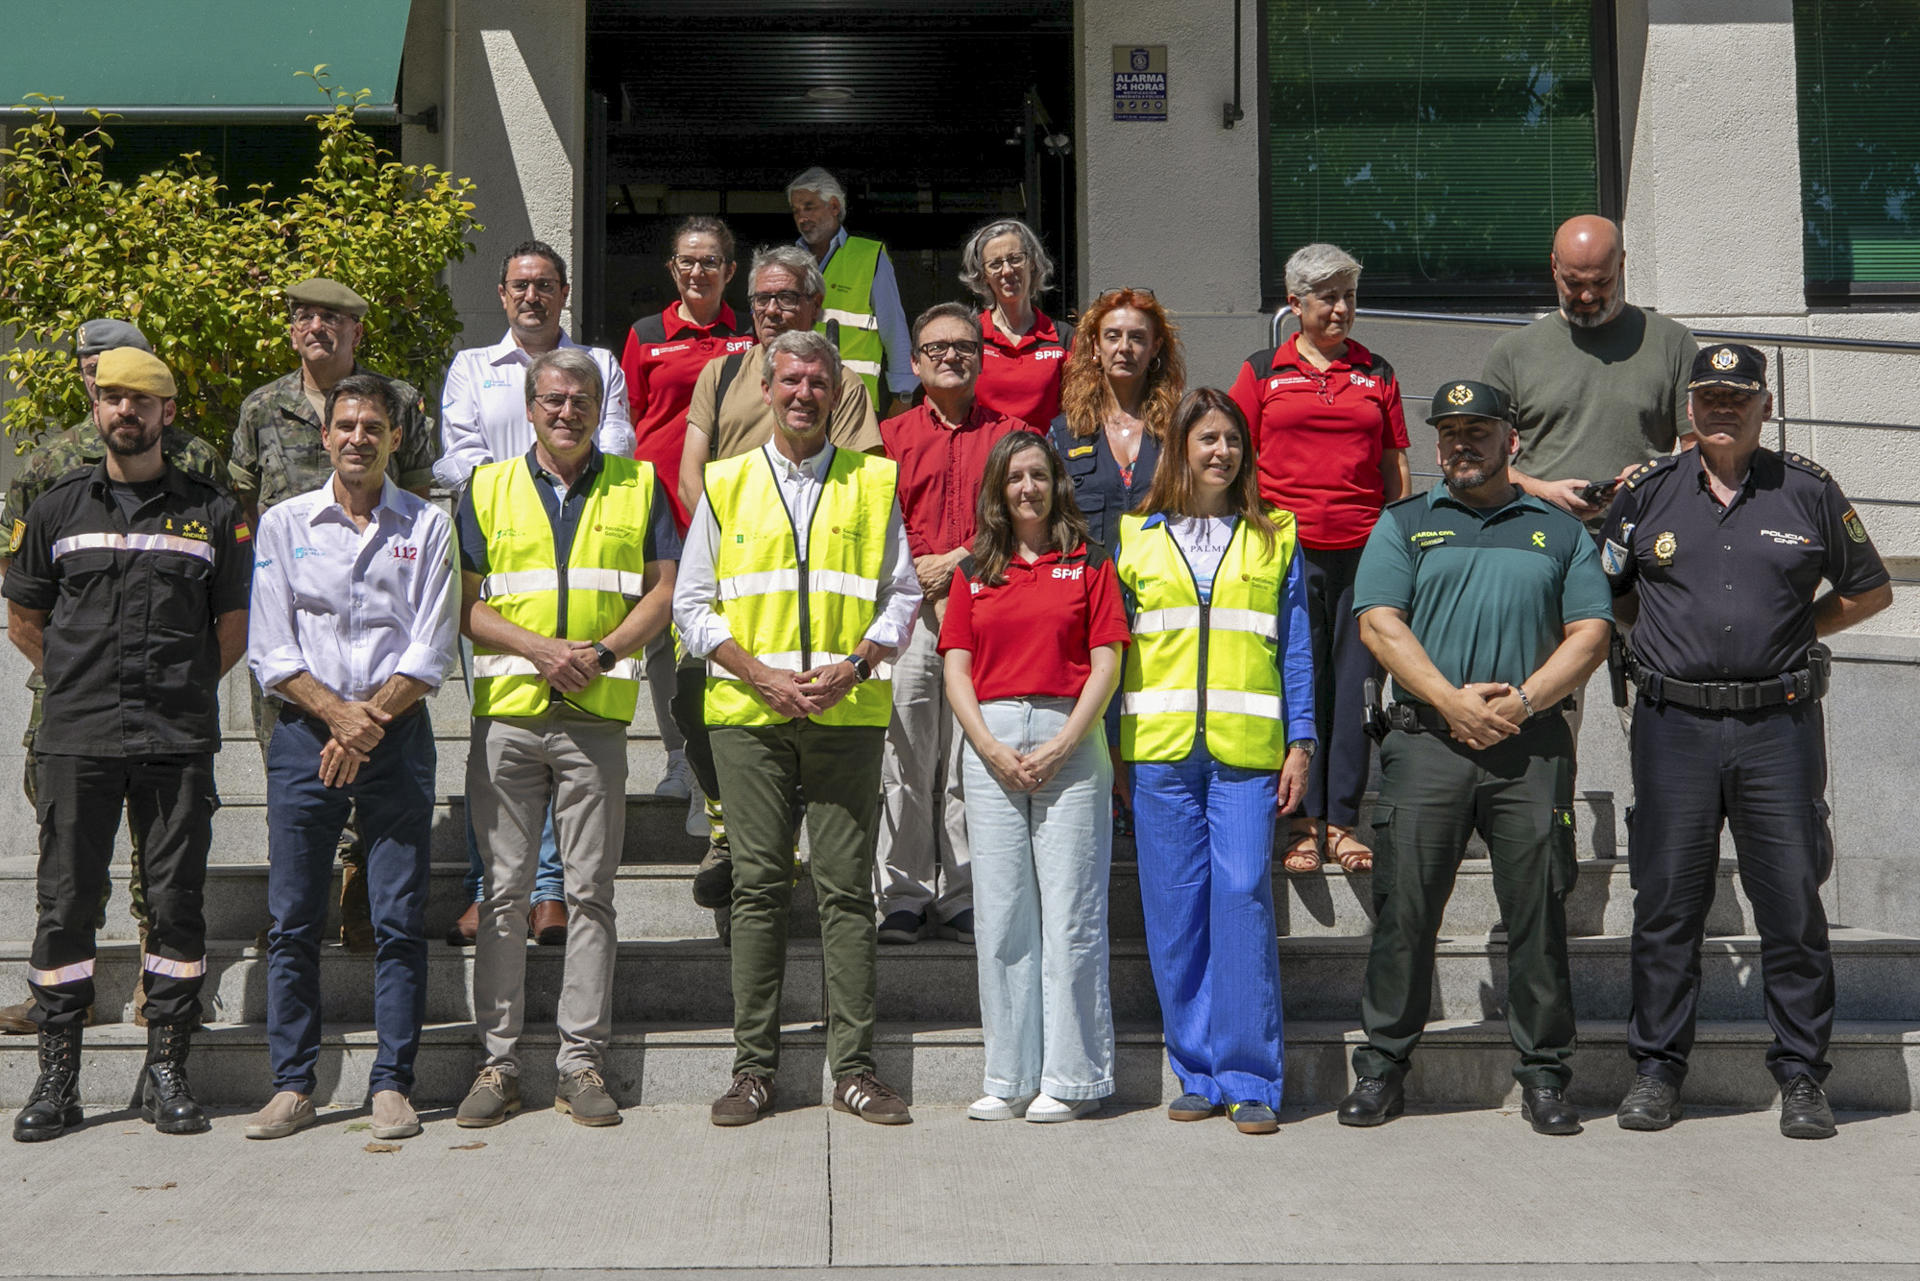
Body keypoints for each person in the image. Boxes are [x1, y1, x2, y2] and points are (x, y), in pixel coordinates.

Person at [1603, 344, 1891, 1141]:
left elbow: (1870, 588)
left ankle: (1802, 1076)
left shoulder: (1808, 489)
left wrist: (1803, 628)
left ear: (1766, 405)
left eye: (1738, 396)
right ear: (1688, 409)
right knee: (1666, 905)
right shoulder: (1646, 495)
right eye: (1708, 396)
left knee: (1792, 904)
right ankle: (1657, 1069)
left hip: (1779, 728)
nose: (1722, 407)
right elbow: (1614, 596)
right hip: (1675, 729)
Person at [1339, 379, 1611, 1135]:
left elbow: (1590, 632)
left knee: (1537, 915)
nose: (1463, 443)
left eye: (1479, 430)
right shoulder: (1405, 525)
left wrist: (1520, 702)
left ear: (1510, 443)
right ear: (1435, 446)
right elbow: (1379, 625)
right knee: (1404, 914)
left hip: (1531, 748)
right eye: (1450, 432)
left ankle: (1547, 1077)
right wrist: (1452, 701)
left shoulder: (1558, 532)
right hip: (1427, 742)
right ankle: (1384, 1067)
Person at [675, 329, 923, 1128]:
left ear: (836, 393)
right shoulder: (724, 482)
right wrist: (763, 675)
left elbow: (903, 594)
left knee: (848, 890)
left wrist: (856, 663)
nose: (804, 394)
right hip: (750, 715)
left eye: (819, 382)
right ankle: (754, 1070)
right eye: (790, 381)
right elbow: (690, 605)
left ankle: (853, 1068)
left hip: (844, 710)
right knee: (758, 889)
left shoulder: (873, 481)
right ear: (767, 389)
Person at [4, 348, 250, 1142]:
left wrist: (174, 690)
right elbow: (25, 620)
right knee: (66, 905)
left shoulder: (211, 511)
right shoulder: (56, 508)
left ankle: (168, 1069)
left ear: (167, 414)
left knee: (176, 903)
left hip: (176, 738)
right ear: (97, 407)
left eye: (142, 400)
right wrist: (84, 685)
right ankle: (58, 1077)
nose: (126, 412)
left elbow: (233, 631)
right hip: (78, 739)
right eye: (112, 398)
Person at [451, 348, 679, 1129]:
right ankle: (500, 1059)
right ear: (530, 404)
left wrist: (604, 652)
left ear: (596, 405)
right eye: (552, 399)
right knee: (505, 892)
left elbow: (667, 589)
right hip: (510, 714)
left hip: (595, 717)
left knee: (590, 894)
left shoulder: (639, 482)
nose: (566, 412)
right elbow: (466, 604)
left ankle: (580, 1060)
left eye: (580, 399)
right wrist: (539, 649)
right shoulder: (486, 487)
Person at [242, 373, 456, 1142]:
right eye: (346, 425)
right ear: (325, 435)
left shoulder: (427, 525)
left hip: (397, 735)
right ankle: (293, 1085)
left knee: (397, 917)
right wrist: (337, 716)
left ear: (395, 437)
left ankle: (392, 1083)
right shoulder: (283, 523)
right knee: (294, 916)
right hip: (307, 733)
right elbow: (270, 645)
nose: (358, 437)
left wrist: (366, 722)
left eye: (374, 426)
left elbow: (432, 644)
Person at [1116, 388, 1314, 1137]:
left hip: (1245, 755)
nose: (1220, 451)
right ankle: (1196, 1070)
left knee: (1240, 897)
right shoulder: (1137, 538)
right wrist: (1111, 748)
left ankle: (1251, 1076)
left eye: (1231, 438)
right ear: (1180, 449)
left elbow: (1295, 648)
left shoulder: (1276, 537)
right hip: (1159, 756)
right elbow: (1114, 650)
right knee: (1174, 913)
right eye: (1206, 438)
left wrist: (1302, 741)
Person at [231, 277, 439, 953]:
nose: (316, 326)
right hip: (294, 612)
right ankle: (295, 904)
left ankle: (359, 893)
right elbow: (242, 502)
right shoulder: (262, 407)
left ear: (356, 332)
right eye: (305, 316)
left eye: (333, 318)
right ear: (291, 330)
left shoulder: (396, 401)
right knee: (290, 766)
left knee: (368, 756)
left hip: (376, 602)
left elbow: (418, 494)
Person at [673, 246, 882, 918]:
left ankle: (762, 841)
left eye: (788, 296)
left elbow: (861, 478)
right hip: (731, 573)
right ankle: (733, 828)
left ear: (816, 306)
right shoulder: (722, 372)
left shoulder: (838, 382)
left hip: (818, 585)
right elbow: (690, 474)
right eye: (763, 298)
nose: (773, 309)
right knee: (688, 691)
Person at [438, 241, 636, 947]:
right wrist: (519, 484)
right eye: (520, 284)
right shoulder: (470, 369)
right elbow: (457, 458)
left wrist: (534, 474)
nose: (532, 296)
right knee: (498, 737)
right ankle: (490, 885)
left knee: (566, 736)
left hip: (579, 567)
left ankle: (548, 890)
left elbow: (613, 446)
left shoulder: (601, 368)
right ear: (501, 293)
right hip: (494, 573)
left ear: (565, 293)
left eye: (545, 285)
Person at [941, 430, 1127, 1122]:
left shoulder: (1089, 562)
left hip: (1068, 740)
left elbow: (1106, 660)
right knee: (1003, 914)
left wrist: (1066, 742)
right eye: (1016, 476)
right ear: (999, 487)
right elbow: (956, 665)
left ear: (1058, 484)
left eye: (1040, 476)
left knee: (1072, 913)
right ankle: (1010, 1075)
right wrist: (986, 744)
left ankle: (1072, 1078)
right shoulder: (973, 570)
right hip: (989, 741)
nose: (1028, 488)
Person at [1229, 244, 1410, 876]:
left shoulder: (1377, 372)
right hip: (1287, 551)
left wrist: (1399, 539)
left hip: (1364, 551)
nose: (1341, 309)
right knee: (1298, 685)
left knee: (1360, 683)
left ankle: (1342, 821)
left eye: (1349, 297)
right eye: (1327, 297)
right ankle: (1299, 824)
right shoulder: (1261, 371)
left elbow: (1394, 465)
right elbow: (1234, 459)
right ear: (1295, 303)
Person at [873, 303, 1024, 945]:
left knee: (968, 760)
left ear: (981, 357)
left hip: (987, 613)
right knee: (905, 753)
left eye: (964, 347)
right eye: (936, 349)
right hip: (909, 616)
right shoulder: (890, 435)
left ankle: (961, 893)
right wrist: (920, 574)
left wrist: (955, 563)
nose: (951, 357)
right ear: (915, 363)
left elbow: (1019, 517)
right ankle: (902, 894)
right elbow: (876, 521)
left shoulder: (1013, 434)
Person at [619, 215, 755, 808]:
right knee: (662, 636)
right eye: (686, 262)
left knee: (728, 626)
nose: (697, 272)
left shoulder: (751, 334)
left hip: (735, 511)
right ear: (672, 269)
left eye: (709, 262)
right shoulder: (647, 332)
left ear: (730, 271)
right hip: (663, 510)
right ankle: (678, 755)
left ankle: (725, 747)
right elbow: (631, 420)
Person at [1047, 287, 1184, 838]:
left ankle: (1147, 808)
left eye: (1137, 337)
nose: (1124, 347)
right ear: (1094, 349)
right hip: (1090, 600)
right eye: (1113, 336)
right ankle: (1108, 804)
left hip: (1164, 602)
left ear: (1155, 350)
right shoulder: (1064, 431)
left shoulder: (1179, 430)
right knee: (1097, 710)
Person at [1482, 215, 1697, 525]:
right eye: (1574, 282)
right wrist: (1541, 491)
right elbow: (1487, 461)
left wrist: (1654, 477)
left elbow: (1698, 452)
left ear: (1622, 265)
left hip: (1642, 532)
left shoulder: (1672, 343)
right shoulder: (1513, 352)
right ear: (1553, 267)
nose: (1587, 296)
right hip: (1537, 532)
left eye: (1601, 282)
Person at [788, 166, 916, 413]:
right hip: (797, 401)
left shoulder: (870, 256)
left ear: (834, 207)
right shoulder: (787, 262)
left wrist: (903, 394)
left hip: (854, 403)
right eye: (796, 211)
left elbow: (894, 330)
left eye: (809, 206)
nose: (801, 217)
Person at [960, 218, 1074, 429]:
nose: (1007, 271)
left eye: (1015, 259)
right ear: (983, 275)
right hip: (986, 457)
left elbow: (1081, 406)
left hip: (1045, 457)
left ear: (1032, 262)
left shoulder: (1064, 338)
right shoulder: (969, 336)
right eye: (995, 264)